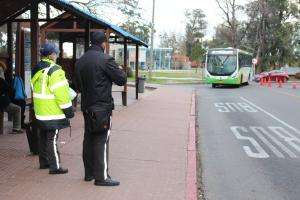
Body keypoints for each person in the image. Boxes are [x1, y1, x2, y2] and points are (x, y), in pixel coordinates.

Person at [75, 31, 126, 186]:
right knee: (102, 139)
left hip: (86, 107)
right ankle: (101, 177)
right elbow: (121, 79)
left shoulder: (80, 61)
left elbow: (77, 86)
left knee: (88, 138)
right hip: (102, 108)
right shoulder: (106, 59)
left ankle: (89, 173)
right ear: (104, 43)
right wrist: (119, 68)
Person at [31, 43, 74, 174]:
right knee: (52, 138)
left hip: (40, 111)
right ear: (51, 55)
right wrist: (69, 111)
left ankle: (43, 162)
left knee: (43, 137)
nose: (57, 55)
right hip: (53, 112)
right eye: (56, 53)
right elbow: (61, 94)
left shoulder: (36, 69)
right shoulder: (55, 70)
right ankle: (54, 166)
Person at [0, 63, 23, 134]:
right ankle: (16, 128)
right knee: (17, 109)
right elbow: (7, 88)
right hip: (2, 101)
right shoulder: (1, 79)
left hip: (4, 100)